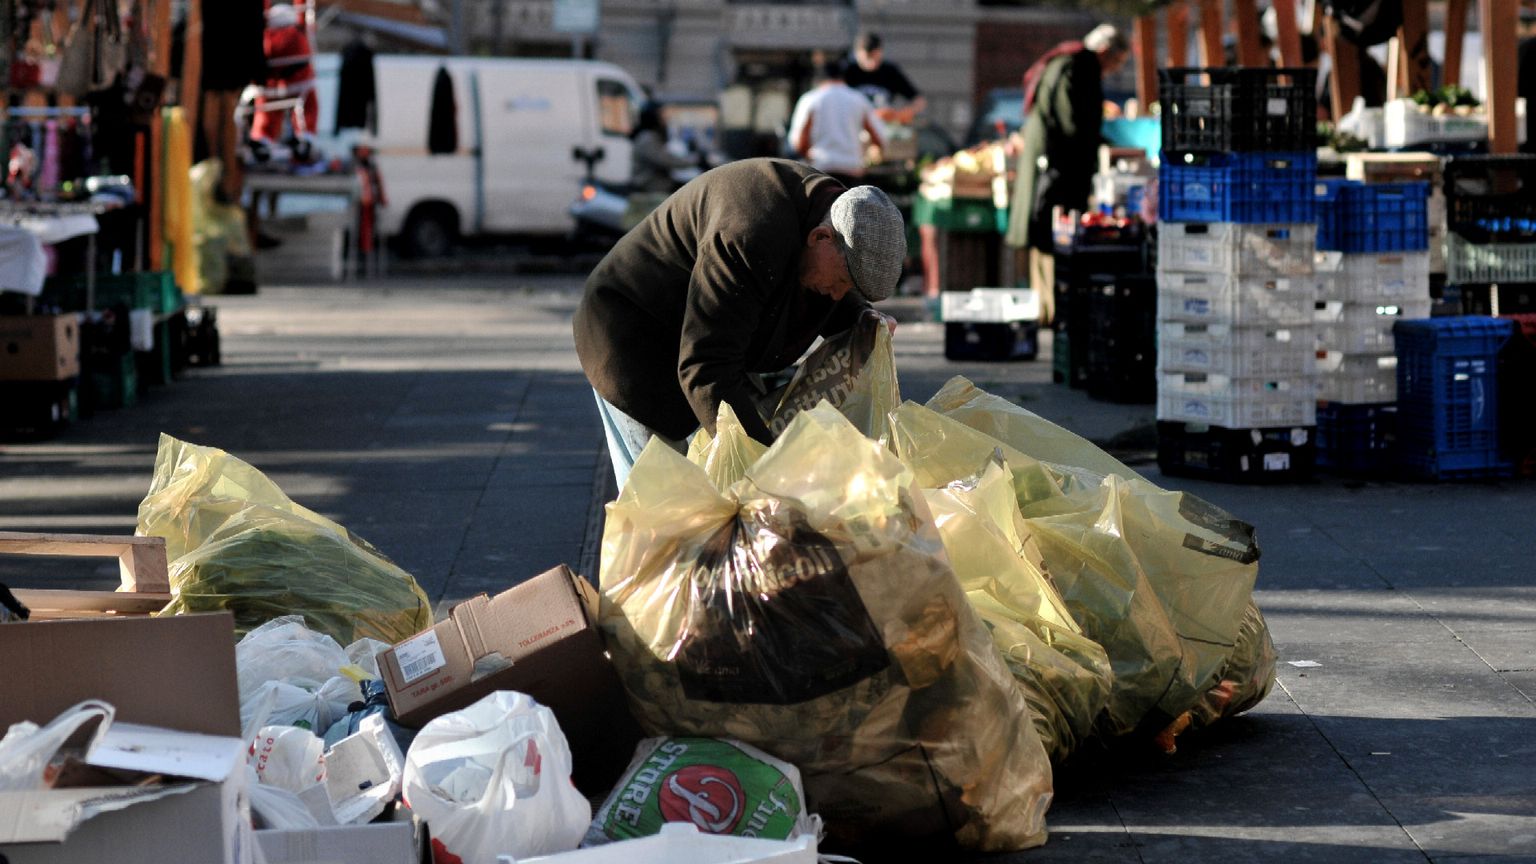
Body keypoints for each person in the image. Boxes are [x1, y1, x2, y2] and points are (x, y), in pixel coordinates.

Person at [573, 158, 906, 487]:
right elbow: (706, 367)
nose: (837, 296)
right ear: (820, 237)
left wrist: (862, 318)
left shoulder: (829, 212)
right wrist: (769, 466)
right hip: (632, 334)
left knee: (718, 492)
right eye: (842, 283)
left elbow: (835, 277)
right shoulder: (748, 232)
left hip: (707, 338)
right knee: (664, 505)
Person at [1004, 23, 1129, 324]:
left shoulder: (1066, 60)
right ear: (1104, 51)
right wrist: (1105, 146)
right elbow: (1073, 123)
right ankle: (1052, 310)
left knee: (1043, 235)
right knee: (1052, 235)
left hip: (1048, 162)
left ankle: (1045, 309)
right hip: (1058, 166)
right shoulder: (1080, 65)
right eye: (1115, 63)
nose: (1112, 71)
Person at [787, 60, 888, 188]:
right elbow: (879, 137)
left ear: (819, 79)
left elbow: (798, 143)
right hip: (852, 168)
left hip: (819, 169)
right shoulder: (859, 99)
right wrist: (868, 159)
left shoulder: (810, 99)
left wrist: (808, 155)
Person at [624, 102, 700, 229]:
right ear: (653, 118)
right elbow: (666, 159)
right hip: (650, 187)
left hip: (659, 184)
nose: (665, 120)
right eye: (661, 116)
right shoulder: (646, 138)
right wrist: (693, 161)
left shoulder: (651, 136)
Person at [841, 31, 927, 123]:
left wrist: (902, 114)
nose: (872, 62)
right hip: (853, 125)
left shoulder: (889, 71)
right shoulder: (848, 71)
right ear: (857, 54)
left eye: (876, 57)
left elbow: (919, 101)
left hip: (881, 127)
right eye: (868, 57)